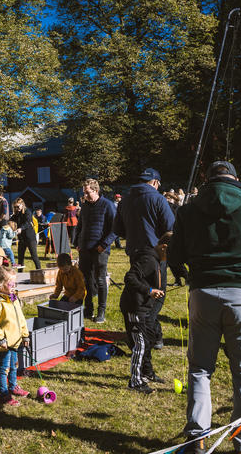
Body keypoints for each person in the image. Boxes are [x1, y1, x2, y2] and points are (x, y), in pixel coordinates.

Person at [168, 161, 241, 454]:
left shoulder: (188, 210)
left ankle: (197, 438)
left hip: (203, 294)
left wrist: (184, 273)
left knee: (199, 370)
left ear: (208, 179)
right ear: (235, 179)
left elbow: (174, 253)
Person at [113, 167, 177, 345]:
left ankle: (147, 334)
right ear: (155, 183)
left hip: (134, 252)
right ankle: (151, 335)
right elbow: (170, 228)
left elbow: (117, 229)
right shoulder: (157, 198)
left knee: (140, 292)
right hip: (154, 252)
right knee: (156, 295)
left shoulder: (125, 200)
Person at [120, 233, 170, 394]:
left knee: (148, 340)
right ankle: (135, 381)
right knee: (140, 344)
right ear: (163, 247)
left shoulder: (154, 259)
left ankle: (147, 372)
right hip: (135, 306)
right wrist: (148, 291)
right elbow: (130, 277)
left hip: (145, 307)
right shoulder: (148, 260)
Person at [0, 266, 30, 406]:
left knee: (14, 365)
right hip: (4, 343)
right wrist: (0, 339)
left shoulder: (13, 298)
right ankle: (4, 393)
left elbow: (20, 317)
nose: (13, 286)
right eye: (11, 284)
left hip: (15, 340)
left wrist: (25, 335)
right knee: (4, 368)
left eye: (15, 283)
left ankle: (13, 386)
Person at [75, 178, 116, 323]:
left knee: (100, 280)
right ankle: (88, 308)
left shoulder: (108, 205)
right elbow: (80, 225)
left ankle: (101, 311)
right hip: (85, 248)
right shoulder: (85, 206)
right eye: (84, 193)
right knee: (86, 279)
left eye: (87, 193)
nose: (85, 196)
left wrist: (104, 244)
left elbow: (115, 228)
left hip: (100, 249)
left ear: (96, 191)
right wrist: (76, 242)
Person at [11, 198, 41, 270]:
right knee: (20, 258)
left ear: (22, 205)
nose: (16, 208)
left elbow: (27, 223)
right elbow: (11, 221)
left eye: (18, 206)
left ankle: (39, 271)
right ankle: (20, 274)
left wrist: (21, 228)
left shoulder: (28, 212)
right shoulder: (16, 214)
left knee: (34, 256)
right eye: (15, 207)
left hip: (30, 237)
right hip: (21, 238)